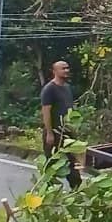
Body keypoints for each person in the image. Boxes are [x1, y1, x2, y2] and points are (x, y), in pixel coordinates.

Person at [41, 60, 81, 189]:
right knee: (52, 164)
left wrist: (73, 130)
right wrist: (49, 133)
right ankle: (47, 191)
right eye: (63, 68)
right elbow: (46, 111)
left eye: (67, 68)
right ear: (55, 71)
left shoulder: (67, 88)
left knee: (71, 162)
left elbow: (69, 109)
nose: (66, 70)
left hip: (67, 132)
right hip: (55, 132)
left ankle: (76, 190)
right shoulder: (49, 89)